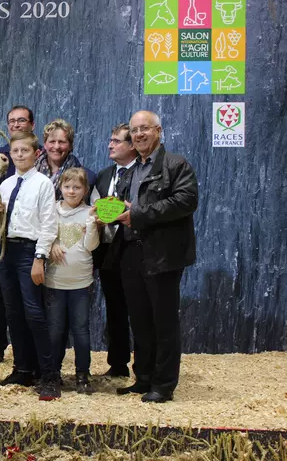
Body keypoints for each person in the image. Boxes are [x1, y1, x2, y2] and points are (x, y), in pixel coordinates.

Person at [108, 110, 198, 403]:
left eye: (144, 128)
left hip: (163, 254)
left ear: (158, 130)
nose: (139, 134)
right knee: (141, 321)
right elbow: (123, 206)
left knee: (164, 323)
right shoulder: (132, 170)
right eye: (134, 130)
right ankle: (143, 378)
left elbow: (186, 201)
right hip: (131, 253)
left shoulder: (176, 164)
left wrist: (139, 213)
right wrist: (104, 213)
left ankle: (163, 384)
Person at [0, 132, 60, 400]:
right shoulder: (7, 185)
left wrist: (39, 258)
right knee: (13, 311)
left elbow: (48, 223)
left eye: (24, 151)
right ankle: (22, 368)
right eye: (15, 152)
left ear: (36, 154)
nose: (19, 155)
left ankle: (49, 375)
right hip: (6, 248)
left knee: (34, 312)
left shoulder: (43, 184)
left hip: (29, 251)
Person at [0, 106, 39, 364]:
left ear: (32, 125)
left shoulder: (39, 157)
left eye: (21, 120)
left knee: (30, 293)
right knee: (0, 288)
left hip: (29, 235)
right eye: (11, 121)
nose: (15, 124)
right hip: (0, 231)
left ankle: (30, 350)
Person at [45, 168, 99, 394]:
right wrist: (52, 245)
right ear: (60, 188)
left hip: (81, 282)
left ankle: (82, 374)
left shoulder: (89, 213)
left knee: (81, 330)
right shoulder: (51, 211)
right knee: (55, 330)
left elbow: (91, 246)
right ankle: (53, 373)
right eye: (67, 186)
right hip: (55, 281)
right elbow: (43, 235)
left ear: (85, 190)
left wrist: (93, 226)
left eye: (77, 187)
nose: (71, 191)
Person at [89, 123, 138, 378]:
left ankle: (143, 367)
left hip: (134, 248)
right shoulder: (104, 174)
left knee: (139, 309)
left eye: (117, 141)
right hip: (108, 250)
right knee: (115, 309)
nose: (111, 144)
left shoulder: (142, 173)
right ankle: (117, 365)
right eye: (111, 140)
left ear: (131, 146)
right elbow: (96, 206)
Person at [36, 119, 96, 200]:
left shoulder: (87, 177)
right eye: (52, 141)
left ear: (70, 146)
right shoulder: (30, 170)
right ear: (45, 144)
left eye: (61, 142)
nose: (56, 147)